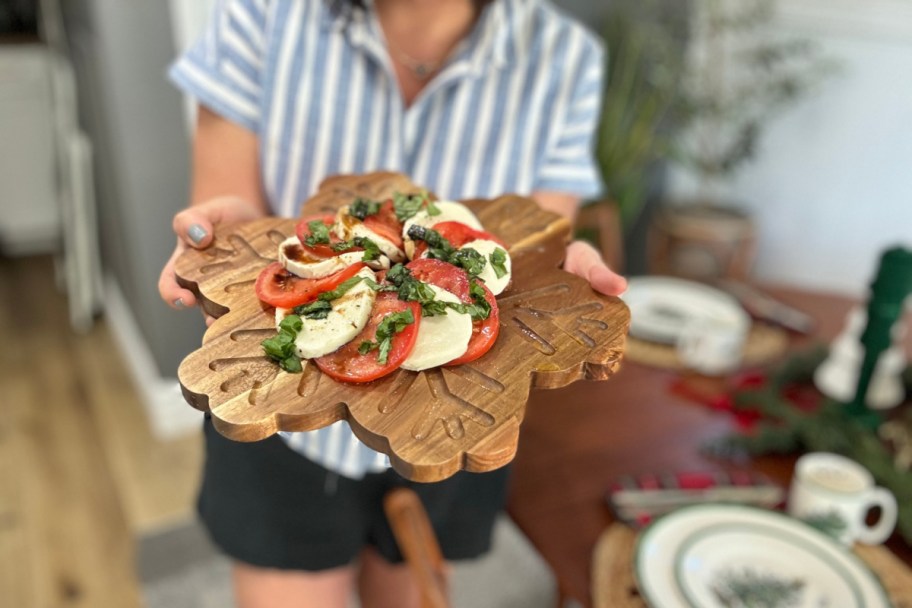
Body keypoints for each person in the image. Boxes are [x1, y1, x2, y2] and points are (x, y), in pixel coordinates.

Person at [158, 0, 627, 606]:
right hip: (282, 414)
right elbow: (233, 207)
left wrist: (560, 271)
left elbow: (518, 255)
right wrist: (239, 242)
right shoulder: (260, 14)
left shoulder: (566, 59)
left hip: (451, 415)